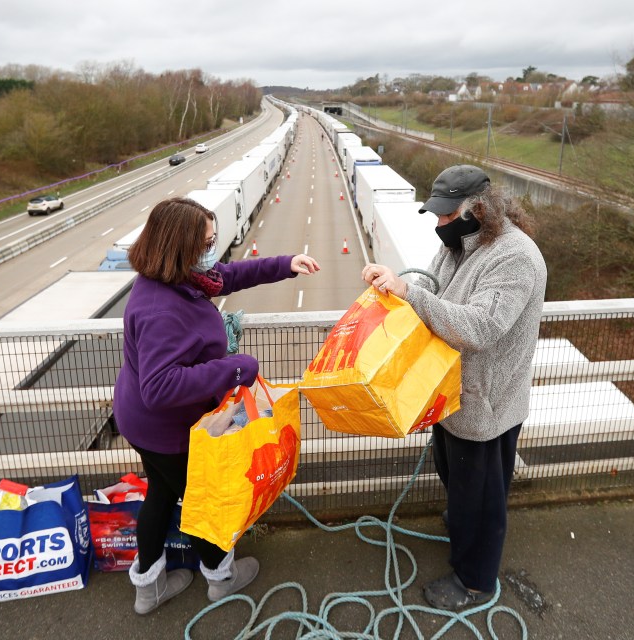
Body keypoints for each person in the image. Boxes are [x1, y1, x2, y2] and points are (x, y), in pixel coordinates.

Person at [113, 197, 321, 615]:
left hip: (145, 424)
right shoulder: (161, 309)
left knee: (160, 496)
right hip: (168, 431)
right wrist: (232, 369)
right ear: (180, 247)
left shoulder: (177, 278)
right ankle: (220, 579)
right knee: (202, 504)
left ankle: (148, 588)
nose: (214, 249)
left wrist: (285, 264)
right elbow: (160, 386)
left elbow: (226, 276)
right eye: (206, 242)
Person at [361, 165, 546, 611]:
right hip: (452, 395)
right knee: (458, 480)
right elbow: (430, 284)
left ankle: (475, 580)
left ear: (478, 209)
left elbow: (481, 327)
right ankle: (464, 523)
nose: (440, 224)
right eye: (438, 215)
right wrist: (395, 290)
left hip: (486, 405)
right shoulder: (461, 244)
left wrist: (411, 294)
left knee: (482, 499)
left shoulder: (514, 257)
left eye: (447, 215)